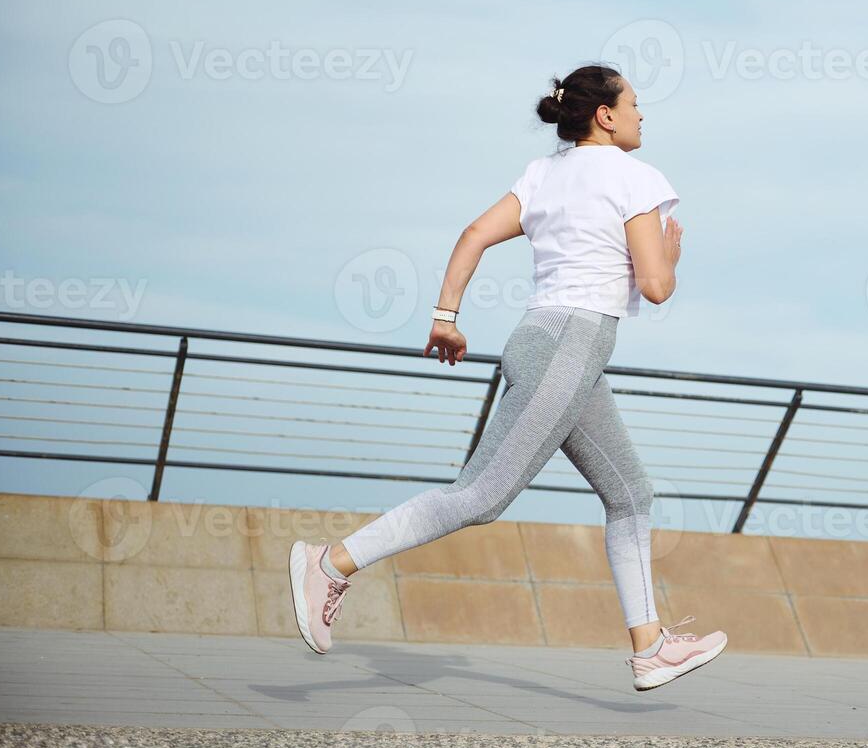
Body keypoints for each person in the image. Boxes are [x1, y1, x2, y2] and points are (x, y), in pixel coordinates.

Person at [289, 63, 727, 691]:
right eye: (634, 104)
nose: (640, 114)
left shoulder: (542, 174)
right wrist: (672, 259)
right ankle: (329, 564)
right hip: (572, 346)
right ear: (605, 115)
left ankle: (650, 644)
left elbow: (473, 235)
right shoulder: (637, 178)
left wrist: (446, 317)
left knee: (631, 493)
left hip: (543, 342)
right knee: (480, 496)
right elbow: (655, 287)